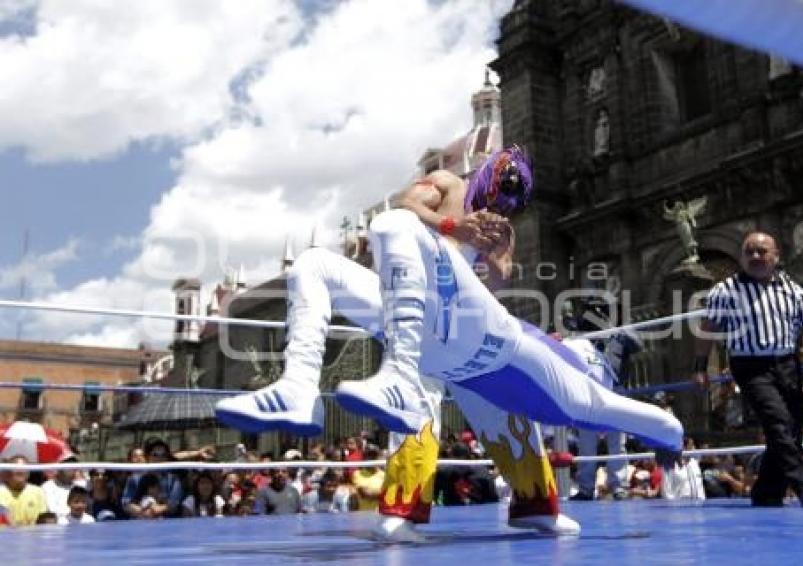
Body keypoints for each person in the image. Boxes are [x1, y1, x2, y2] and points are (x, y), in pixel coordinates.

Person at [216, 147, 682, 538]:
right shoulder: (446, 186)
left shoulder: (502, 226)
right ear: (484, 177)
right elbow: (400, 205)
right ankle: (300, 388)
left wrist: (498, 266)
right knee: (317, 264)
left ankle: (539, 502)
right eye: (499, 191)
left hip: (467, 326)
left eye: (511, 200)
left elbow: (496, 286)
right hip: (408, 318)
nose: (501, 204)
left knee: (550, 407)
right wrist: (453, 228)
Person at [692, 231, 803, 507]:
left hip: (787, 363)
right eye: (750, 251)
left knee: (793, 427)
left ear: (775, 257)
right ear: (742, 257)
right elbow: (707, 330)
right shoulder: (725, 290)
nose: (756, 256)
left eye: (762, 251)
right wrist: (700, 367)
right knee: (777, 420)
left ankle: (767, 491)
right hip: (750, 366)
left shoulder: (790, 287)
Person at [568, 301, 642, 501]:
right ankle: (585, 488)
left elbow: (638, 344)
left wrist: (616, 326)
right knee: (586, 443)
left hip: (615, 393)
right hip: (588, 395)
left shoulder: (621, 333)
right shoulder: (585, 337)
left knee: (616, 443)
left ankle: (619, 486)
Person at [0, 456, 48, 527]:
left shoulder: (38, 492)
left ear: (28, 473)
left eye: (23, 468)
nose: (20, 471)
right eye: (16, 468)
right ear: (8, 472)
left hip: (33, 535)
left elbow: (44, 519)